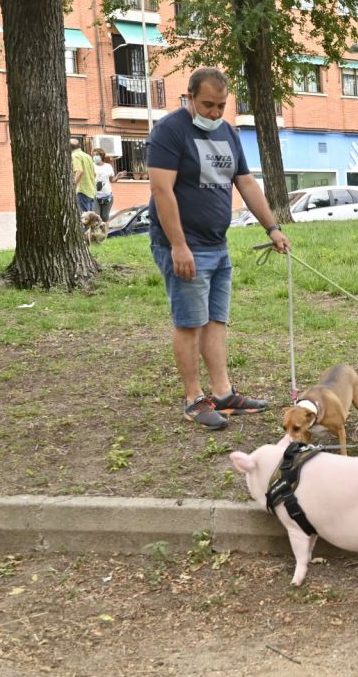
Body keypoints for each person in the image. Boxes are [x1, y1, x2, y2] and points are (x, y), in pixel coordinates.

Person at [148, 66, 293, 430]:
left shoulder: (228, 133)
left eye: (221, 106)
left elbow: (245, 183)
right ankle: (194, 399)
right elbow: (162, 191)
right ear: (191, 98)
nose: (214, 113)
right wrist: (178, 245)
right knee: (189, 323)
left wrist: (272, 227)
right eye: (208, 105)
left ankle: (223, 393)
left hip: (217, 243)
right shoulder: (169, 131)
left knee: (216, 320)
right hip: (185, 246)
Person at [71, 137, 97, 213]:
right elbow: (94, 173)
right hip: (91, 191)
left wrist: (72, 186)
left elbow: (79, 171)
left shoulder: (74, 156)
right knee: (90, 219)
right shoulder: (88, 156)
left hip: (81, 191)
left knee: (84, 219)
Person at [92, 148, 115, 222]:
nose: (95, 156)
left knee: (104, 217)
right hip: (94, 195)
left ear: (102, 156)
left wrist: (118, 176)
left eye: (97, 155)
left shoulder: (108, 166)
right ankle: (95, 233)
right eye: (93, 155)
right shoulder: (91, 166)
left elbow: (112, 180)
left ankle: (105, 233)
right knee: (96, 217)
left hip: (107, 195)